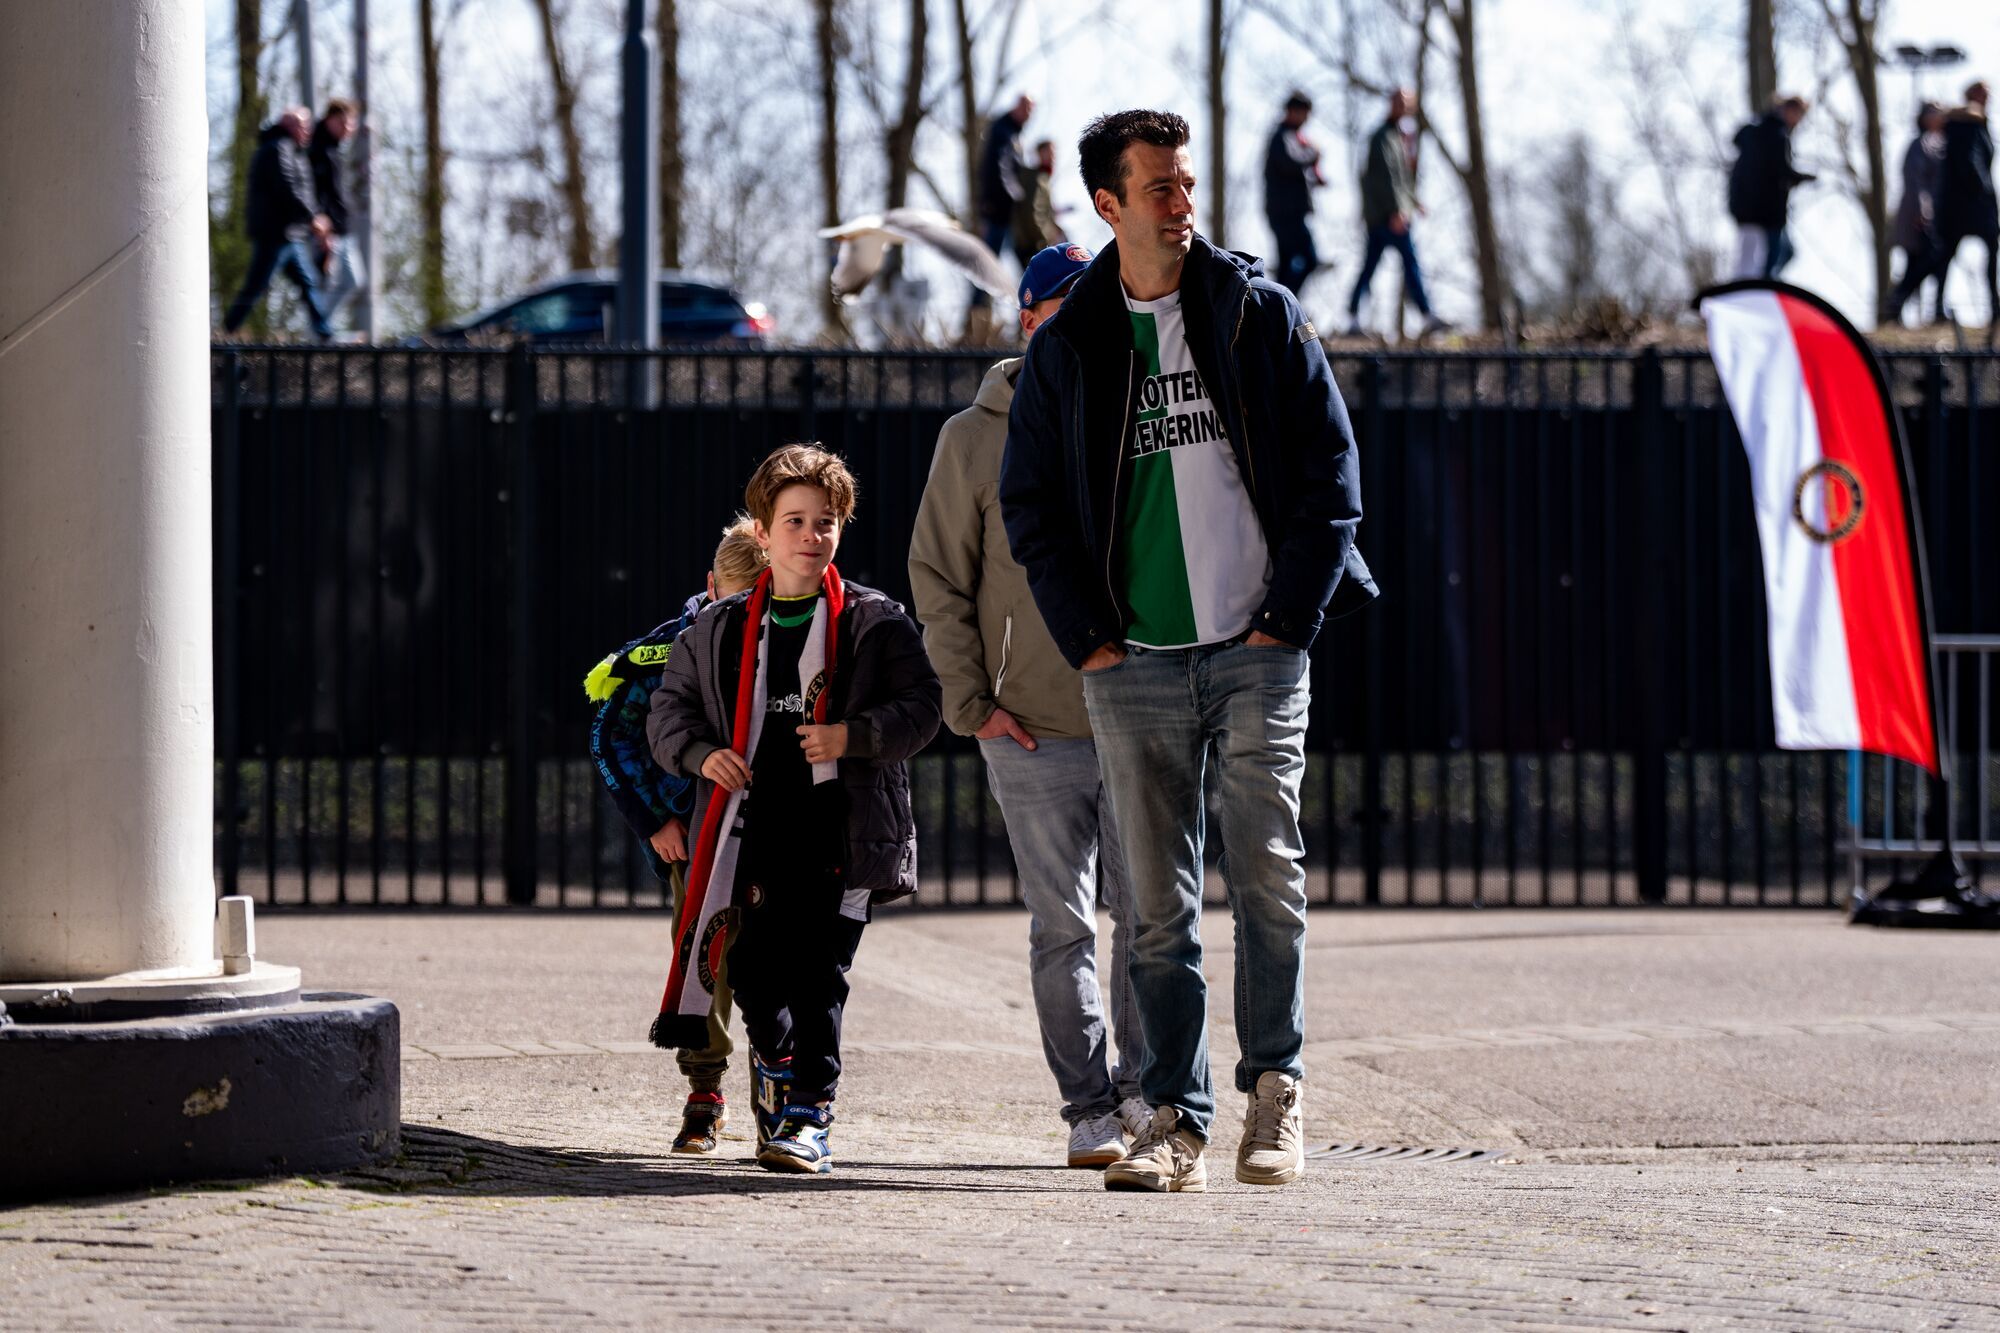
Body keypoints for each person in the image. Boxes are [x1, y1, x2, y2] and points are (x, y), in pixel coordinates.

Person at [1001, 109, 1378, 1194]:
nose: (1181, 201)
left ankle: (1274, 1092)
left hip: (1258, 649)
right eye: (1158, 186)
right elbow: (1027, 505)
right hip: (1136, 666)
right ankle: (1173, 1118)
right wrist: (1088, 639)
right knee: (1154, 910)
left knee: (1266, 876)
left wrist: (1287, 618)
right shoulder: (1069, 343)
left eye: (1187, 182)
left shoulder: (1256, 311)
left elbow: (1330, 476)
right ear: (1106, 205)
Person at [909, 242, 1145, 1170]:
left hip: (1142, 719)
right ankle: (1088, 1108)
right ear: (1028, 319)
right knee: (1066, 927)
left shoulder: (1140, 412)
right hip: (1030, 731)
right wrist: (973, 704)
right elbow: (938, 577)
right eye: (1064, 306)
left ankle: (1144, 1097)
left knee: (1154, 922)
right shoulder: (973, 438)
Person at [647, 445, 942, 1175]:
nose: (813, 535)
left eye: (827, 521)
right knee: (748, 970)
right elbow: (666, 714)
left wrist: (854, 735)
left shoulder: (875, 621)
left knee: (819, 973)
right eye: (796, 521)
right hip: (747, 833)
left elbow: (923, 709)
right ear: (763, 530)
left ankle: (810, 1112)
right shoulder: (718, 629)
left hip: (840, 830)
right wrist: (698, 754)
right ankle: (777, 1059)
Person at [583, 516, 766, 1155]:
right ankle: (704, 1092)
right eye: (734, 600)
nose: (745, 614)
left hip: (774, 832)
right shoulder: (664, 651)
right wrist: (654, 821)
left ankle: (782, 1100)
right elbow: (611, 738)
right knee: (704, 956)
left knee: (774, 961)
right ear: (709, 586)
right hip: (695, 835)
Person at [222, 107, 334, 339]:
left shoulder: (290, 150)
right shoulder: (278, 149)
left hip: (289, 233)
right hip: (275, 233)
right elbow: (288, 187)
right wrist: (312, 217)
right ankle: (228, 330)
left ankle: (325, 333)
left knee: (307, 282)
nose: (307, 131)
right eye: (303, 126)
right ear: (289, 125)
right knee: (257, 286)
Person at [1345, 88, 1447, 337]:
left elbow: (1403, 178)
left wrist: (1413, 201)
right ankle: (1425, 314)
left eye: (1407, 103)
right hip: (1386, 216)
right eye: (1399, 102)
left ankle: (1353, 315)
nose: (1403, 107)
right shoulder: (1381, 137)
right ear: (1392, 104)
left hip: (1394, 213)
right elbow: (1385, 179)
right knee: (1407, 262)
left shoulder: (1397, 137)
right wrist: (1396, 211)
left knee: (1373, 265)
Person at [1728, 94, 1814, 280]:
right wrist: (1803, 178)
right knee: (1762, 260)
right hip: (1764, 213)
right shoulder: (1776, 136)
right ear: (1789, 110)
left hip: (1750, 209)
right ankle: (1762, 289)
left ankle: (1763, 287)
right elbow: (1780, 170)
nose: (1799, 120)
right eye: (1798, 114)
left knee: (1778, 253)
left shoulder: (1756, 131)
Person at [1938, 82, 1998, 339]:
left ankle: (1992, 306)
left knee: (1946, 256)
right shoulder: (1969, 126)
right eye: (1983, 92)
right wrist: (1983, 190)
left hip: (1963, 205)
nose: (1988, 97)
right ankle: (1993, 307)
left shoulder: (1965, 126)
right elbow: (1970, 163)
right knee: (1948, 256)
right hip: (1972, 205)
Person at [1884, 103, 1948, 326]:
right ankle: (1896, 303)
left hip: (1930, 214)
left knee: (1919, 263)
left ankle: (1897, 305)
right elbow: (1915, 180)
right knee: (1926, 259)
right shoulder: (1920, 144)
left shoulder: (1938, 143)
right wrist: (1923, 210)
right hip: (1918, 216)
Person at [973, 95, 1035, 310]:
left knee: (1025, 266)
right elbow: (996, 170)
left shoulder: (1014, 134)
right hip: (998, 212)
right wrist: (1016, 196)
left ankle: (1031, 309)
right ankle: (977, 317)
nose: (1029, 115)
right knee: (987, 267)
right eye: (1026, 109)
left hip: (1008, 214)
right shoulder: (1002, 132)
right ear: (1018, 106)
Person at [1263, 91, 1325, 299]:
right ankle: (1286, 301)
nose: (1306, 119)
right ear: (1293, 111)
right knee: (1310, 258)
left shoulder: (1292, 137)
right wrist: (1313, 154)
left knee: (1285, 264)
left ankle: (1276, 311)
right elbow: (1290, 164)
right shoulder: (1282, 136)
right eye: (1304, 114)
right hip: (1285, 213)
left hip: (1290, 211)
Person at [309, 99, 364, 324]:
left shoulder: (333, 148)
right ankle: (320, 331)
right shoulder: (318, 148)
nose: (348, 129)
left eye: (351, 124)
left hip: (341, 227)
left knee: (350, 280)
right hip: (328, 230)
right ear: (330, 119)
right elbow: (317, 192)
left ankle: (322, 329)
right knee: (328, 281)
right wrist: (324, 228)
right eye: (343, 123)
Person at [1011, 139, 1065, 267]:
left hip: (1036, 244)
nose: (1052, 157)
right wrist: (1048, 238)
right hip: (1032, 246)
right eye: (1049, 152)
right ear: (1040, 154)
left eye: (1054, 153)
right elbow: (1033, 213)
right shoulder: (1036, 178)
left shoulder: (1043, 178)